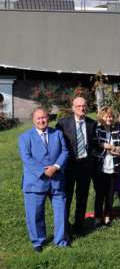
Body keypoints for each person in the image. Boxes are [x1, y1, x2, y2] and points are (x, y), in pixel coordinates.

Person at [19, 107, 69, 252]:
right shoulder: (25, 137)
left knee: (61, 212)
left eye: (44, 117)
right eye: (38, 118)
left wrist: (56, 166)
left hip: (57, 180)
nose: (42, 120)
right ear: (33, 120)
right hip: (35, 182)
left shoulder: (58, 134)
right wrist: (43, 172)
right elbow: (26, 158)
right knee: (35, 214)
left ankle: (60, 240)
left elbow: (65, 152)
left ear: (48, 118)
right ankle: (38, 242)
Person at [56, 96, 97, 235]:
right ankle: (65, 227)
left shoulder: (92, 123)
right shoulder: (63, 124)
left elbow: (94, 144)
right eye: (78, 106)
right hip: (69, 166)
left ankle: (79, 226)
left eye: (84, 105)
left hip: (85, 166)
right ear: (73, 108)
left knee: (82, 197)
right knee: (66, 197)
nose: (82, 108)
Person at [93, 107, 120, 227]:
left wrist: (118, 150)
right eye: (106, 116)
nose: (108, 118)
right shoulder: (98, 130)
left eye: (110, 116)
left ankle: (107, 216)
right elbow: (94, 144)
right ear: (101, 117)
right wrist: (106, 146)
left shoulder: (116, 130)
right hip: (100, 165)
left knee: (110, 194)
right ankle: (98, 218)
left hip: (114, 165)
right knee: (100, 193)